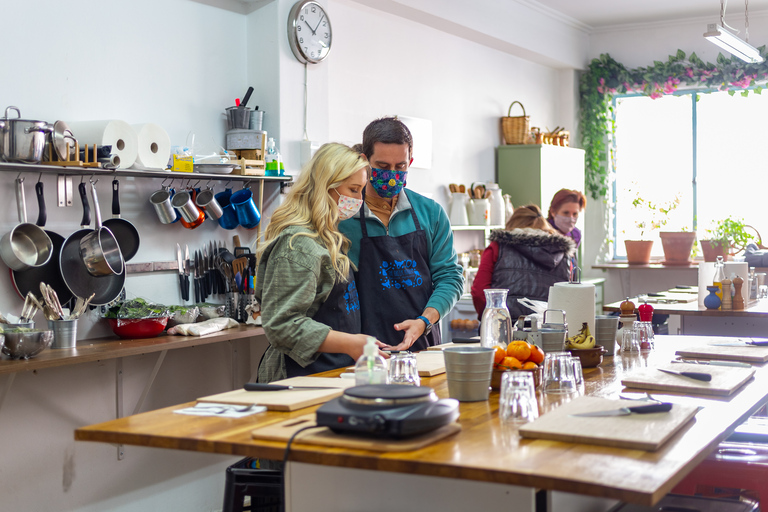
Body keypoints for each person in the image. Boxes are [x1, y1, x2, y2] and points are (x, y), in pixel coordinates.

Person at [256, 143, 380, 383]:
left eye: (362, 190)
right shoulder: (298, 246)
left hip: (329, 374)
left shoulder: (327, 238)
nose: (359, 200)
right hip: (299, 378)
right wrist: (350, 343)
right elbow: (281, 325)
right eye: (353, 190)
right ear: (327, 186)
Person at [338, 117, 464, 351]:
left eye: (401, 167)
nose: (393, 175)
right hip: (363, 350)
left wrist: (425, 320)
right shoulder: (344, 216)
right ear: (365, 161)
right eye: (383, 167)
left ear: (410, 162)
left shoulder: (431, 213)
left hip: (421, 343)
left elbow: (450, 277)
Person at [471, 204, 575, 319]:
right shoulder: (564, 254)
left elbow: (479, 292)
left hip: (504, 328)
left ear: (512, 224)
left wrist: (490, 319)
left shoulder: (497, 247)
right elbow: (570, 298)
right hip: (550, 329)